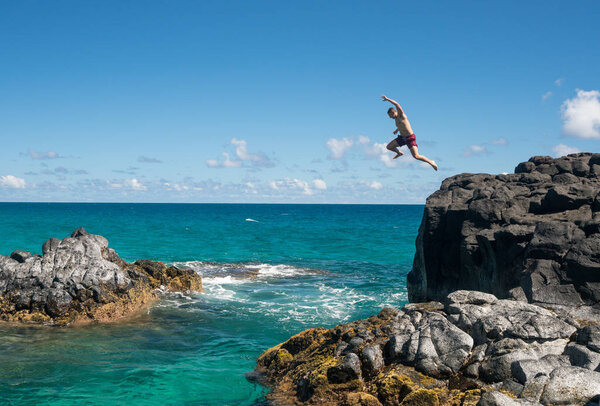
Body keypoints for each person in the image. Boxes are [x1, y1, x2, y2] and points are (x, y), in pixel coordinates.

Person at [381, 94, 438, 170]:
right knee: (389, 147)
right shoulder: (396, 119)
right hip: (402, 138)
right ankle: (399, 153)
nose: (390, 117)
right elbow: (402, 125)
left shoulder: (401, 115)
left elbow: (397, 104)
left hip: (410, 138)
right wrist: (397, 130)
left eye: (390, 116)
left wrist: (387, 99)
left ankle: (431, 162)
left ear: (393, 112)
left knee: (416, 156)